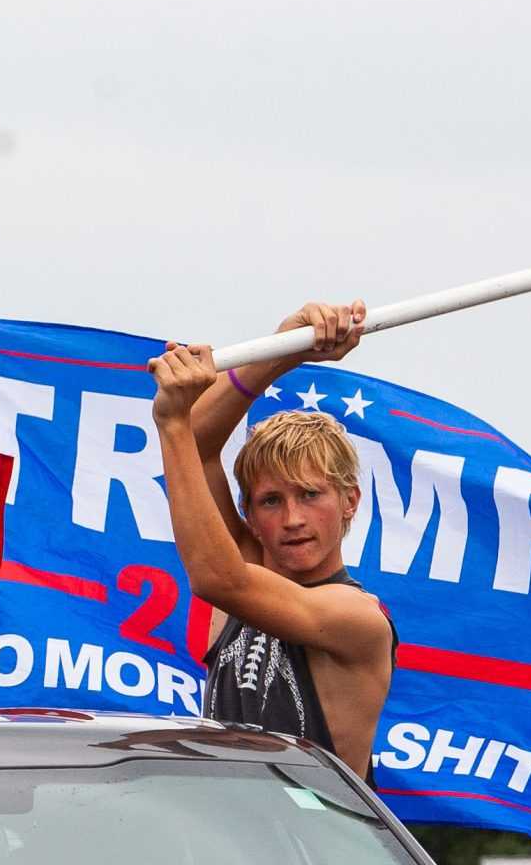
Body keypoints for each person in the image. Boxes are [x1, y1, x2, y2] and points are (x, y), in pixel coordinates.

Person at [149, 302, 394, 782]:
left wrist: (172, 421)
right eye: (270, 501)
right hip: (237, 848)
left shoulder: (358, 618)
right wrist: (282, 350)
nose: (293, 519)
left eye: (310, 494)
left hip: (319, 856)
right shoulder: (248, 564)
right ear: (248, 515)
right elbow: (196, 445)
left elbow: (219, 579)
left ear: (350, 501)